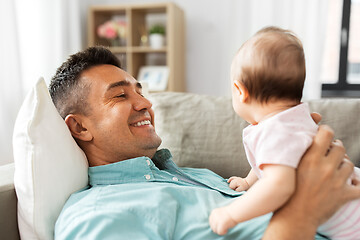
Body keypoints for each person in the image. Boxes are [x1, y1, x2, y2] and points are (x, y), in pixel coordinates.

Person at [49, 46, 360, 239]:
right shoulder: (96, 216)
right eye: (119, 95)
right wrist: (304, 214)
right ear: (79, 127)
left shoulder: (195, 175)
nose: (145, 104)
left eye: (140, 92)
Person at [209, 26, 360, 239]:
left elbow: (279, 185)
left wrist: (232, 213)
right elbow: (272, 162)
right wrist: (247, 182)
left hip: (350, 220)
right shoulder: (292, 119)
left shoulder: (275, 130)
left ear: (240, 91)